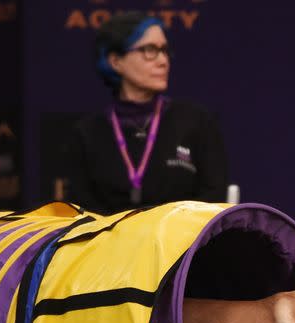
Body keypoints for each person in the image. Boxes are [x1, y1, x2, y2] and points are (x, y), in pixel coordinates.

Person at [65, 12, 228, 214]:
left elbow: (213, 202)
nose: (163, 61)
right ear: (116, 61)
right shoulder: (87, 133)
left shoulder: (197, 122)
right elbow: (81, 212)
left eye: (165, 50)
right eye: (150, 50)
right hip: (111, 243)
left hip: (183, 242)